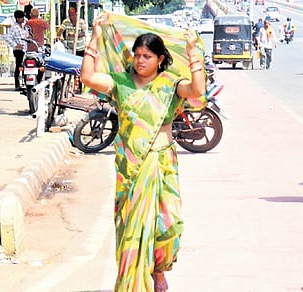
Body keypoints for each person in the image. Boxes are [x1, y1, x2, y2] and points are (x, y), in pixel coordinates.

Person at [81, 15, 205, 292]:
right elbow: (88, 77)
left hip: (162, 164)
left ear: (160, 59)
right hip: (132, 169)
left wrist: (192, 52)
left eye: (147, 56)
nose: (140, 60)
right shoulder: (121, 82)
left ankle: (159, 270)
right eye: (137, 55)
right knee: (131, 231)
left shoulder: (170, 84)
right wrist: (94, 35)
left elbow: (197, 89)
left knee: (169, 225)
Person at [5, 10, 28, 91]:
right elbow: (7, 38)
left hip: (27, 49)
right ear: (17, 18)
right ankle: (17, 84)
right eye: (21, 18)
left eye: (23, 17)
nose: (22, 19)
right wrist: (16, 45)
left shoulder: (26, 25)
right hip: (18, 50)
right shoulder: (14, 27)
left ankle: (26, 83)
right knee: (19, 66)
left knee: (27, 66)